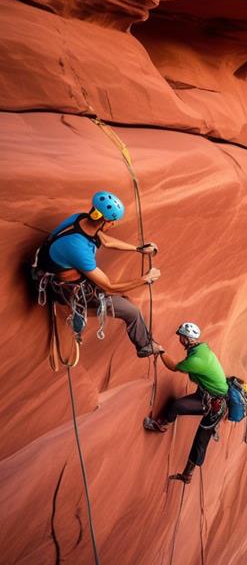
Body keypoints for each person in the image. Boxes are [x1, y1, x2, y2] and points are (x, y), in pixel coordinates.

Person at [33, 191, 161, 355]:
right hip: (67, 290)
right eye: (112, 222)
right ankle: (145, 346)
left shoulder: (81, 219)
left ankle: (80, 309)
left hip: (60, 271)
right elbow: (109, 287)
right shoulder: (78, 248)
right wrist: (146, 279)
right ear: (102, 220)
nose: (113, 225)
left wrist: (138, 249)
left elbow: (106, 240)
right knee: (131, 310)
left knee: (123, 296)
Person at [143, 322, 229, 484]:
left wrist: (161, 351)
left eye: (180, 336)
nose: (179, 338)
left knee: (199, 438)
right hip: (207, 394)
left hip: (213, 404)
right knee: (190, 414)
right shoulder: (202, 348)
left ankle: (186, 474)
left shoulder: (196, 360)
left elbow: (174, 367)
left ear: (187, 338)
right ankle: (212, 425)